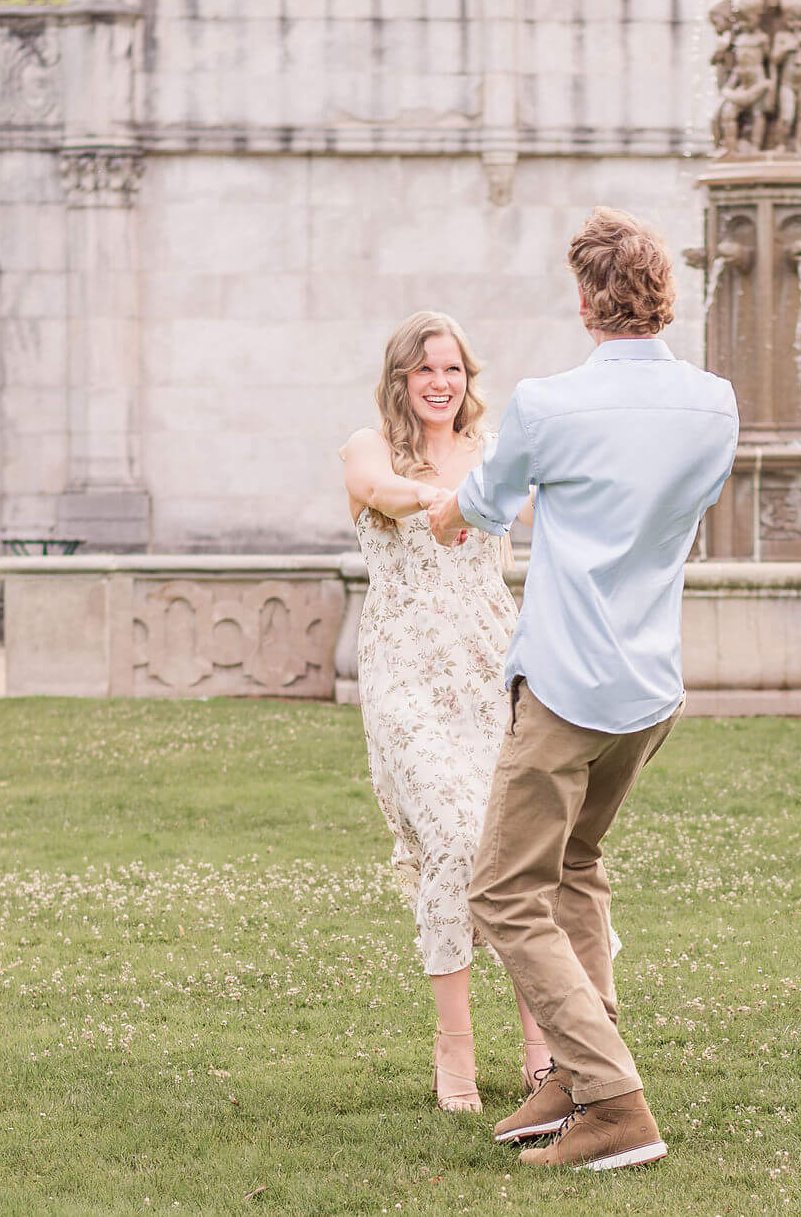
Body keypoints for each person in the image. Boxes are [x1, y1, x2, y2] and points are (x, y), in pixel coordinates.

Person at [427, 207, 740, 1171]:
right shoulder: (716, 403)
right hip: (650, 686)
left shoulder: (548, 403)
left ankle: (613, 1097)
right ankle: (572, 1064)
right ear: (662, 297)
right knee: (574, 866)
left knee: (502, 887)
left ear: (586, 299)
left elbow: (479, 507)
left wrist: (443, 516)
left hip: (566, 684)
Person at [338, 311, 549, 1115]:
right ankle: (454, 1045)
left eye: (453, 370)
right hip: (405, 673)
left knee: (516, 848)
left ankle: (542, 1046)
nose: (440, 383)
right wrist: (449, 499)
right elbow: (385, 496)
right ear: (401, 378)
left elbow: (552, 514)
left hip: (491, 666)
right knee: (457, 840)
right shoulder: (368, 448)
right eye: (425, 369)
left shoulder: (497, 459)